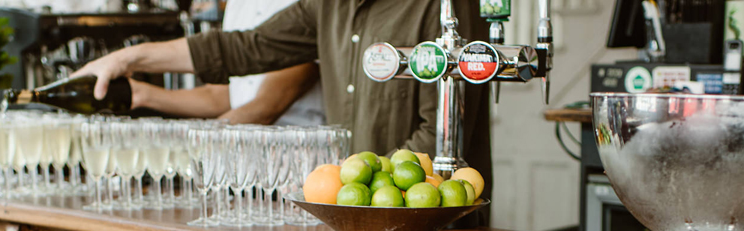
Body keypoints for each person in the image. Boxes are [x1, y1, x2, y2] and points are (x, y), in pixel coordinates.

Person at [76, 0, 491, 196]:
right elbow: (244, 48)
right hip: (354, 219)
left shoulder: (448, 6)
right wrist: (127, 59)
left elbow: (439, 142)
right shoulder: (328, 6)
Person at [129, 0, 326, 127]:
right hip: (243, 156)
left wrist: (204, 142)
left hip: (296, 158)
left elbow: (267, 107)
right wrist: (142, 94)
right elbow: (220, 96)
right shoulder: (237, 4)